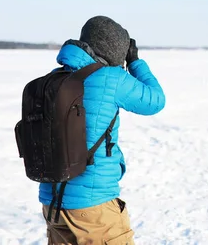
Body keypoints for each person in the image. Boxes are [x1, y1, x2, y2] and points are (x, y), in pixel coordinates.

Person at [40, 16, 166, 245]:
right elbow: (155, 101)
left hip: (52, 202)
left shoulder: (54, 78)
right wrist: (136, 62)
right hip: (94, 206)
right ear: (115, 50)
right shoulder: (111, 78)